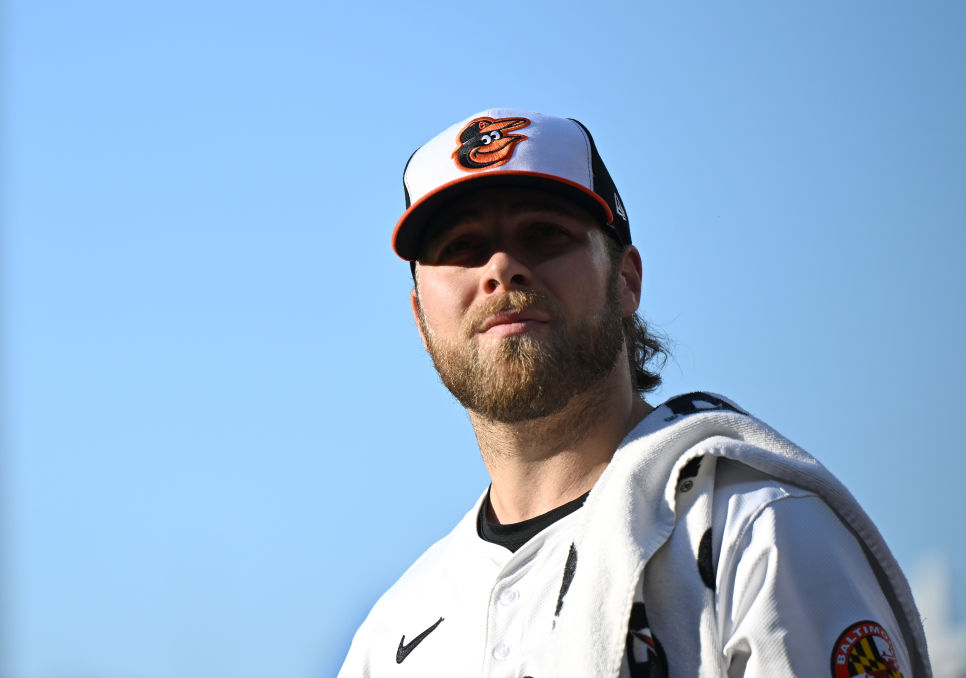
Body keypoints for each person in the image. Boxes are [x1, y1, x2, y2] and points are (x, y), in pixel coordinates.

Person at [338, 108, 931, 677]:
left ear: (625, 280)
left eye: (544, 233)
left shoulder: (755, 530)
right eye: (461, 248)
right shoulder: (392, 637)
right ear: (420, 319)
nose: (502, 267)